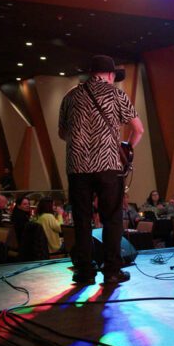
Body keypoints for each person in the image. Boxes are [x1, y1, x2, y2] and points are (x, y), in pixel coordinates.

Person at [59, 54, 144, 285]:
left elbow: (62, 133)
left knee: (82, 219)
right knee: (112, 219)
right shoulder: (117, 94)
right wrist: (126, 149)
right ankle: (111, 271)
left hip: (77, 166)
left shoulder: (70, 96)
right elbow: (139, 130)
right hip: (108, 165)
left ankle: (85, 272)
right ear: (109, 75)